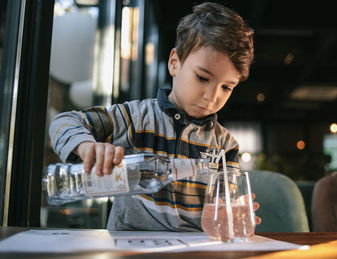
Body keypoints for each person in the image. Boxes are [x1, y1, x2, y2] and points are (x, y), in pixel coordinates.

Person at [49, 1, 260, 231]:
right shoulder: (135, 118)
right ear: (174, 63)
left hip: (193, 253)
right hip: (129, 249)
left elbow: (224, 206)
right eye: (202, 78)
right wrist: (86, 146)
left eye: (226, 87)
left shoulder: (226, 146)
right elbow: (64, 122)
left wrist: (227, 217)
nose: (212, 96)